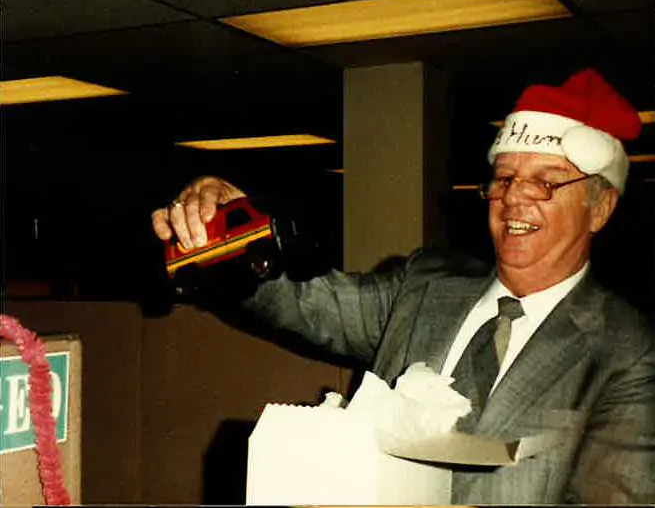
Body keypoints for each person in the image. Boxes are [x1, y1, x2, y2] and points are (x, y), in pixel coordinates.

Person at [151, 68, 655, 504]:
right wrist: (227, 235)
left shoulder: (628, 351)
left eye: (545, 182)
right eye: (504, 179)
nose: (514, 200)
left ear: (600, 208)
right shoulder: (424, 284)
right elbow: (304, 302)